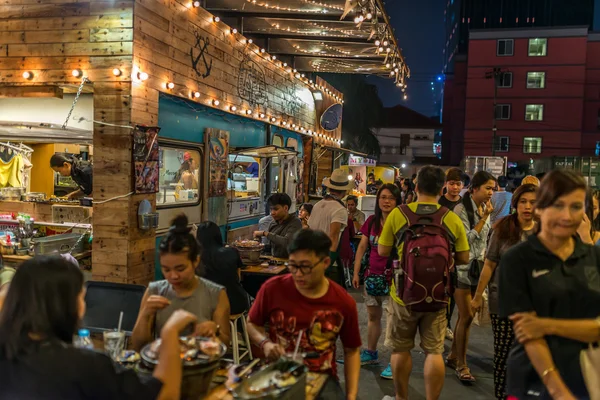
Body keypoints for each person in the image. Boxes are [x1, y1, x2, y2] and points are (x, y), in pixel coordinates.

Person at [0, 256, 196, 400]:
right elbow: (164, 395)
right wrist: (170, 332)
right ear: (67, 305)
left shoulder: (7, 351)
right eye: (81, 297)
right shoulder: (85, 366)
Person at [499, 169, 600, 400]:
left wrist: (546, 325)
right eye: (558, 205)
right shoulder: (517, 259)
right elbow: (528, 333)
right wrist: (558, 391)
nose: (567, 215)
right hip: (532, 377)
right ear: (540, 209)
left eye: (576, 207)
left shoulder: (594, 258)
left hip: (588, 375)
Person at [378, 166, 470, 400]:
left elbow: (382, 250)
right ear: (442, 189)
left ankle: (401, 398)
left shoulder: (399, 214)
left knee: (401, 349)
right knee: (434, 352)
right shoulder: (450, 218)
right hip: (438, 297)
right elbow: (463, 258)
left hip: (403, 295)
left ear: (416, 187)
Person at [246, 229, 361, 399]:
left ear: (326, 262)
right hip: (279, 374)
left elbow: (351, 351)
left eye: (306, 267)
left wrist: (351, 396)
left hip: (322, 379)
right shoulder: (273, 289)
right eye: (293, 265)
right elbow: (252, 323)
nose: (298, 274)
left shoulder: (343, 302)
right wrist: (265, 344)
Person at [471, 184, 538, 399]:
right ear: (515, 204)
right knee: (502, 358)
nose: (528, 206)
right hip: (503, 303)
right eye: (523, 201)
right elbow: (489, 264)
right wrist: (476, 297)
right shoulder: (503, 229)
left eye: (533, 202)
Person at [132, 215, 231, 351]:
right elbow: (138, 346)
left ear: (195, 261)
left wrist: (216, 330)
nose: (173, 276)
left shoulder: (215, 294)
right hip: (164, 365)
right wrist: (145, 314)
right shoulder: (154, 291)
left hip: (202, 366)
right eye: (166, 269)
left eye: (180, 268)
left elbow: (225, 346)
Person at [447, 170, 496, 383]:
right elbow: (465, 239)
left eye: (493, 189)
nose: (491, 193)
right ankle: (462, 365)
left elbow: (485, 240)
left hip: (479, 269)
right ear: (474, 189)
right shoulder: (460, 210)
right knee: (466, 316)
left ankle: (453, 355)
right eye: (487, 188)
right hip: (462, 270)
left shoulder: (484, 208)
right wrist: (484, 218)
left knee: (464, 317)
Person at [350, 184, 401, 379]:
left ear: (397, 201)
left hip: (394, 278)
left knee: (393, 320)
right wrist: (356, 273)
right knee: (373, 317)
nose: (386, 201)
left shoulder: (401, 222)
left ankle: (394, 362)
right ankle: (370, 353)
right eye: (383, 197)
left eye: (391, 198)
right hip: (372, 277)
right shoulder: (371, 221)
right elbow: (362, 248)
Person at [308, 168, 354, 286]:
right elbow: (333, 237)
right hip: (328, 263)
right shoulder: (339, 209)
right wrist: (327, 265)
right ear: (345, 191)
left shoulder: (317, 205)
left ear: (329, 188)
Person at [197, 221, 249, 315]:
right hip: (236, 304)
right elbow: (238, 277)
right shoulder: (232, 251)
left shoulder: (195, 258)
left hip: (207, 307)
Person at [437, 167, 464, 342]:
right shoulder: (439, 202)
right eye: (452, 183)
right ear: (446, 184)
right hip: (439, 252)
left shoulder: (465, 203)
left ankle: (446, 324)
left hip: (458, 254)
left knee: (453, 291)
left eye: (458, 184)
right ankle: (438, 324)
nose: (455, 187)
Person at [253, 193, 302, 259]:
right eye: (271, 209)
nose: (272, 213)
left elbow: (287, 243)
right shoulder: (273, 223)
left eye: (275, 209)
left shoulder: (295, 222)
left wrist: (265, 233)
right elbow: (272, 246)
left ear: (285, 208)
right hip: (276, 261)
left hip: (289, 262)